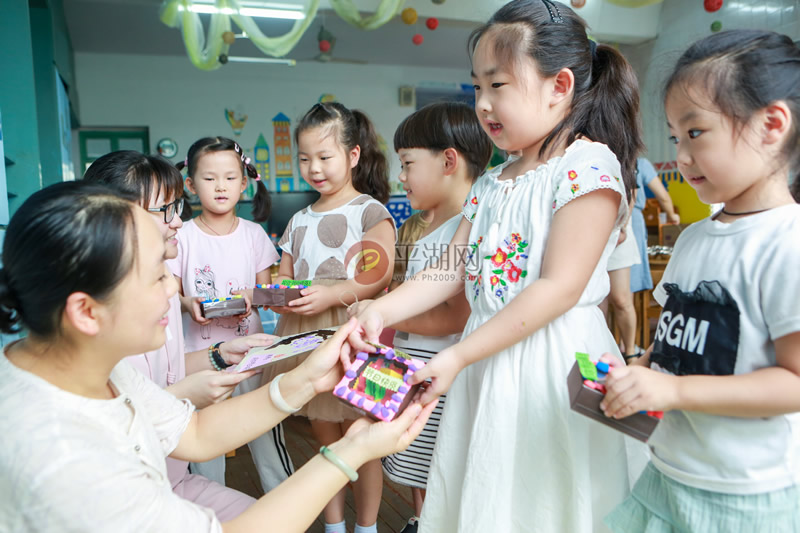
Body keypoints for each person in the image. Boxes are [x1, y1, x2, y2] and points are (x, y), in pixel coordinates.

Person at [350, 1, 644, 530]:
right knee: (487, 494)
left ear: (559, 86)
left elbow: (558, 287)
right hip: (486, 360)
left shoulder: (586, 166)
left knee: (549, 501)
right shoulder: (492, 181)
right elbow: (449, 268)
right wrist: (381, 311)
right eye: (477, 87)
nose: (482, 104)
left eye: (498, 85)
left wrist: (459, 354)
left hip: (554, 363)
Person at [0, 180, 436, 532]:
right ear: (85, 311)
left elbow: (195, 431)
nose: (174, 290)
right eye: (157, 277)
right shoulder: (60, 456)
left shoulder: (90, 367)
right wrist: (353, 450)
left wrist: (306, 379)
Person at [600, 29, 800, 532]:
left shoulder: (787, 242)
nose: (682, 156)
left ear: (772, 125)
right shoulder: (693, 238)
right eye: (675, 137)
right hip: (666, 471)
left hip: (743, 495)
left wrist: (674, 392)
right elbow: (674, 342)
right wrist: (638, 371)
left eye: (695, 132)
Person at [83, 150, 271, 519]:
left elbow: (163, 374)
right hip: (129, 496)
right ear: (115, 215)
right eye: (166, 210)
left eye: (178, 207)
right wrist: (184, 394)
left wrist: (220, 353)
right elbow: (115, 429)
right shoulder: (99, 311)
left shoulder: (165, 282)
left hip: (174, 478)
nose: (178, 222)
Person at [264, 101, 395, 533]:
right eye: (305, 159)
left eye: (324, 156)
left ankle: (368, 527)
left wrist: (332, 295)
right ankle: (335, 525)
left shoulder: (369, 211)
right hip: (309, 335)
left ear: (353, 155)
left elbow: (377, 274)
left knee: (362, 439)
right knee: (325, 437)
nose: (314, 168)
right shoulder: (298, 220)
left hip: (354, 332)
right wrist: (280, 297)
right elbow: (285, 277)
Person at [362, 102, 492, 533]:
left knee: (439, 469)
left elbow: (454, 317)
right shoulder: (437, 232)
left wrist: (386, 316)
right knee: (422, 472)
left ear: (448, 161)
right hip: (419, 368)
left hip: (441, 374)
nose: (401, 177)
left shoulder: (467, 231)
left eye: (407, 164)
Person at [170, 137, 290, 492]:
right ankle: (212, 509)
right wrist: (189, 303)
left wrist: (252, 296)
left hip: (252, 352)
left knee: (265, 433)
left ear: (244, 183)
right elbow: (171, 294)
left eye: (229, 177)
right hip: (200, 357)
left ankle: (283, 500)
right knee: (206, 440)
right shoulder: (182, 236)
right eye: (209, 178)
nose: (220, 186)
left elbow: (267, 294)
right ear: (191, 185)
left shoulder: (254, 235)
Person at [629, 156, 679, 295]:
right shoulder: (639, 163)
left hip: (604, 217)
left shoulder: (602, 160)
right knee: (631, 277)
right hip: (633, 220)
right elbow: (663, 196)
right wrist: (672, 215)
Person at [605, 196, 642, 361]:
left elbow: (631, 194)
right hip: (592, 231)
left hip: (619, 231)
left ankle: (630, 352)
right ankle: (602, 350)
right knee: (598, 303)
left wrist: (622, 227)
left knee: (621, 299)